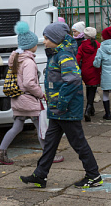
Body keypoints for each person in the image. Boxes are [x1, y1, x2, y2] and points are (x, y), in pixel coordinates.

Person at [20, 21, 102, 189]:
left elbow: (72, 80)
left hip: (66, 109)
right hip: (57, 110)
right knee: (50, 143)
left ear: (56, 39)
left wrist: (62, 103)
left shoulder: (64, 55)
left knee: (78, 143)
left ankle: (94, 176)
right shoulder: (56, 54)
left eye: (46, 38)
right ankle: (40, 175)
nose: (44, 41)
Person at [0, 21, 63, 165]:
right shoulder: (29, 62)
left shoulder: (16, 58)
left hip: (18, 99)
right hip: (30, 100)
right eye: (36, 43)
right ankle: (49, 155)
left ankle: (1, 152)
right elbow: (29, 83)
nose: (38, 45)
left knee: (17, 126)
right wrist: (40, 94)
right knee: (41, 127)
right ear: (31, 46)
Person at [76, 26, 101, 122]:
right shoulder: (98, 45)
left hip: (85, 70)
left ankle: (91, 109)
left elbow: (78, 58)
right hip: (95, 69)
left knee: (88, 88)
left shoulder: (82, 46)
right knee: (93, 88)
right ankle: (88, 109)